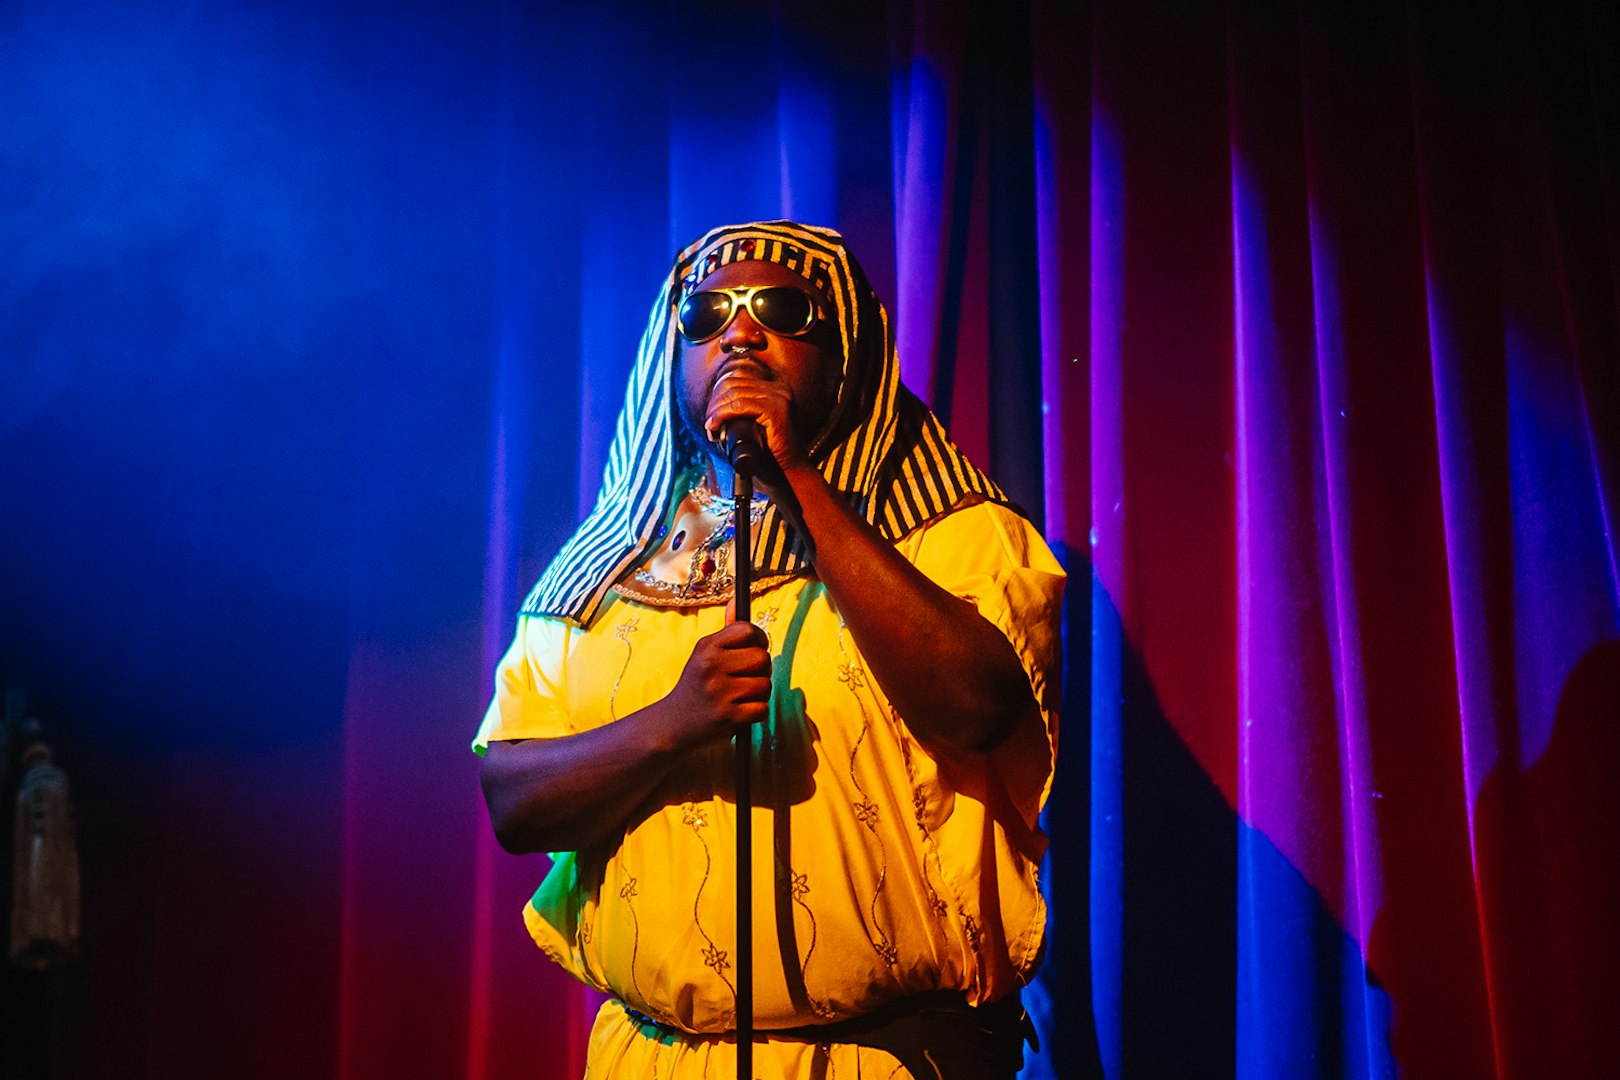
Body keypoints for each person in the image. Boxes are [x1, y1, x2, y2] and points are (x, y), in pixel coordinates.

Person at [475, 221, 1064, 1078]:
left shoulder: (950, 532)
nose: (739, 333)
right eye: (707, 315)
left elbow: (979, 711)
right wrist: (672, 726)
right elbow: (513, 803)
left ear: (845, 355)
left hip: (880, 1060)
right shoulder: (604, 568)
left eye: (781, 310)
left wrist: (794, 479)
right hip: (651, 1059)